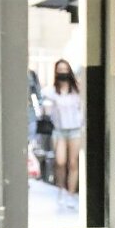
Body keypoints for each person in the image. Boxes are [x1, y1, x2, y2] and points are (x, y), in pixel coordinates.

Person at [42, 59, 83, 207]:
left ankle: (70, 194)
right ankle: (60, 189)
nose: (63, 72)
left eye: (65, 69)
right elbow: (46, 108)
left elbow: (81, 109)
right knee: (60, 162)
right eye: (60, 69)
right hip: (59, 130)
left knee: (73, 163)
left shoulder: (77, 90)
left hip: (75, 130)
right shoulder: (50, 91)